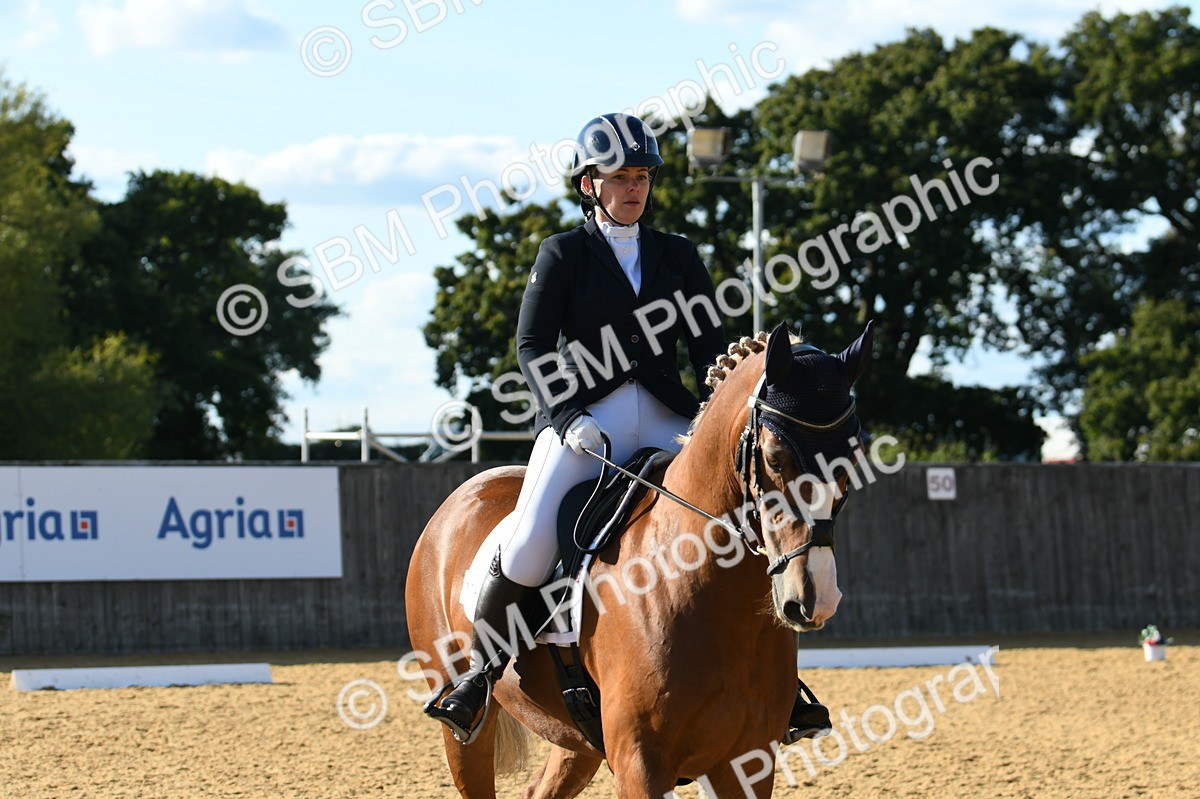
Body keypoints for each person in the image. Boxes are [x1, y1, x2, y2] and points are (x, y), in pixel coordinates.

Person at [425, 113, 830, 745]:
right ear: (590, 184)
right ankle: (480, 672)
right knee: (530, 539)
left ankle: (780, 684)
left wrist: (721, 403)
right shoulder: (562, 253)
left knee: (742, 518)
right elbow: (532, 346)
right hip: (587, 418)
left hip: (668, 416)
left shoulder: (678, 254)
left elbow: (710, 346)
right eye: (620, 177)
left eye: (641, 176)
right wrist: (566, 416)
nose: (633, 187)